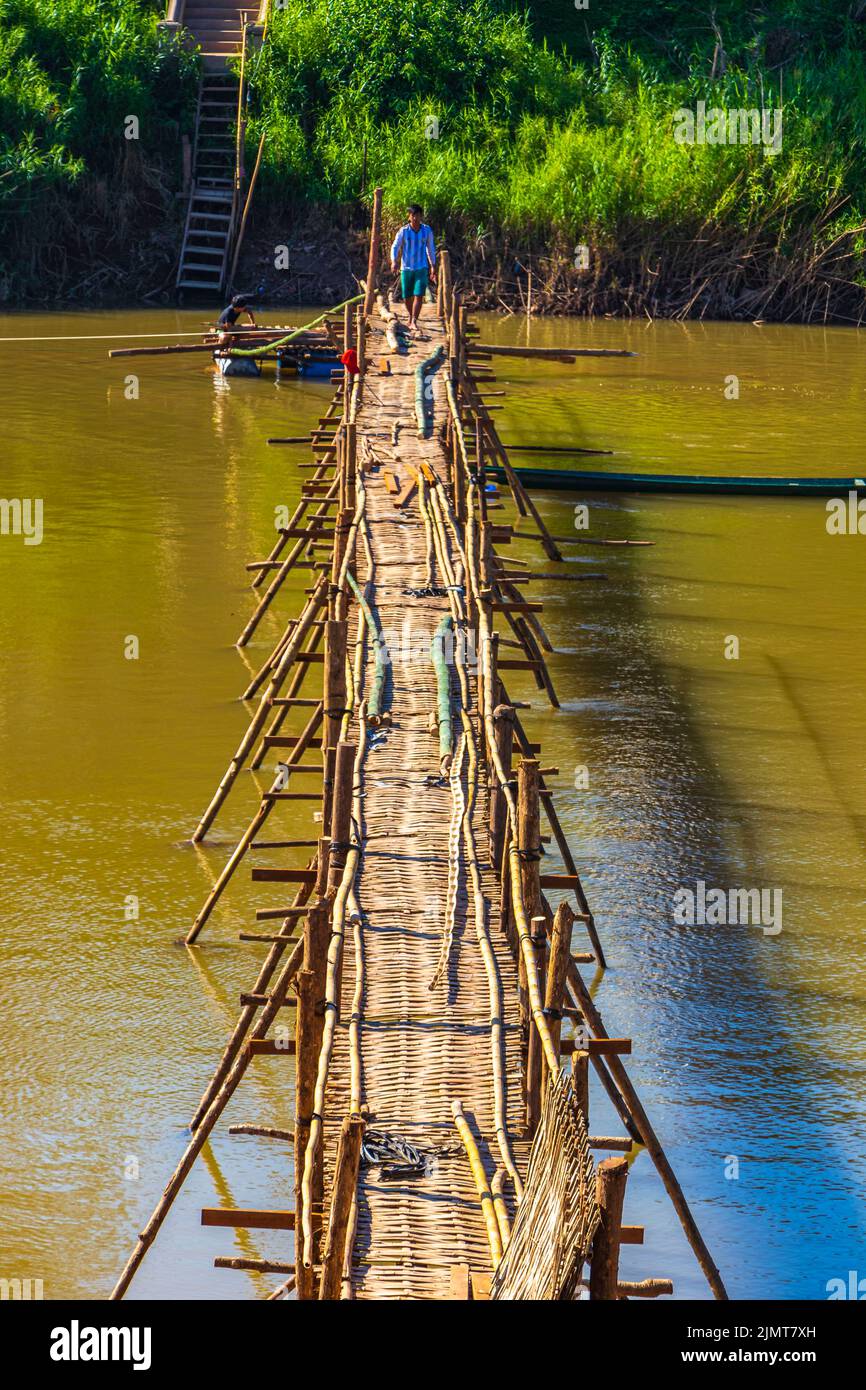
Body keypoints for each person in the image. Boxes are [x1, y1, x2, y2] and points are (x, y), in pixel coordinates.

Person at [390, 205, 437, 334]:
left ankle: (414, 320)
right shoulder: (403, 231)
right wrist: (394, 261)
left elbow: (430, 249)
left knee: (419, 295)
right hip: (406, 268)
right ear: (409, 216)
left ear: (421, 216)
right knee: (407, 296)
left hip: (421, 268)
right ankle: (411, 316)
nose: (416, 218)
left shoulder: (426, 231)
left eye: (418, 215)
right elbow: (395, 247)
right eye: (413, 215)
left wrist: (433, 265)